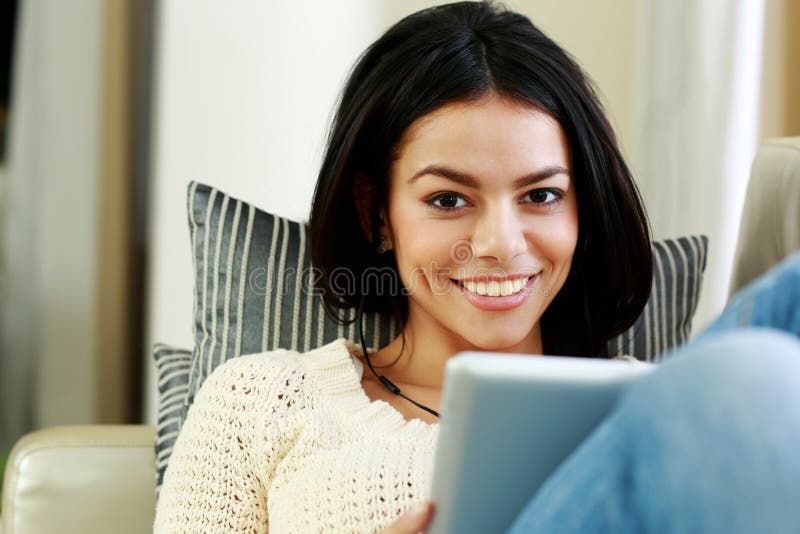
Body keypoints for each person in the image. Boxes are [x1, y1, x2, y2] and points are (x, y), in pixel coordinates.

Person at [153, 2, 800, 532]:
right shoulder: (261, 402)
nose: (498, 242)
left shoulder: (649, 405)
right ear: (378, 214)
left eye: (540, 195)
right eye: (448, 199)